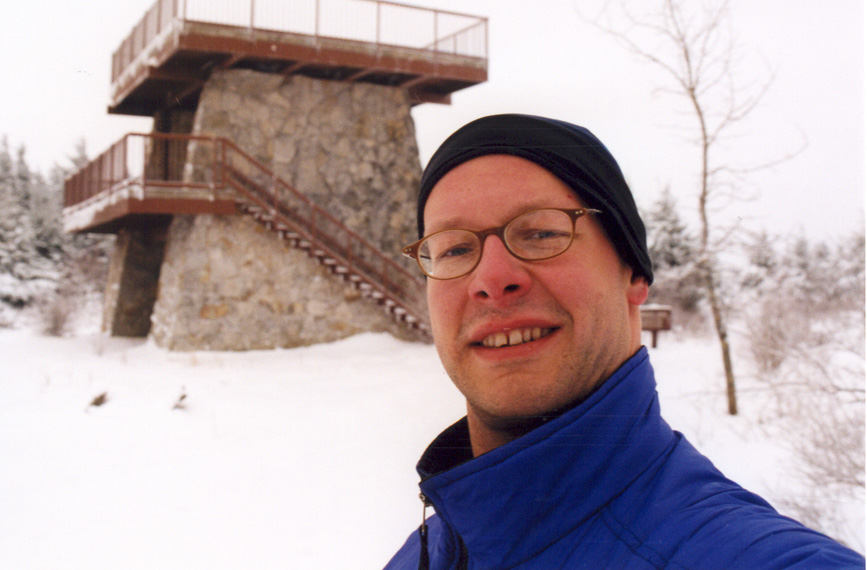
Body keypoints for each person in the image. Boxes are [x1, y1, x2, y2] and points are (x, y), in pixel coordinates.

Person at [384, 114, 864, 570]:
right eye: (454, 249)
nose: (491, 279)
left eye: (542, 232)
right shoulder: (422, 552)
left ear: (633, 272)